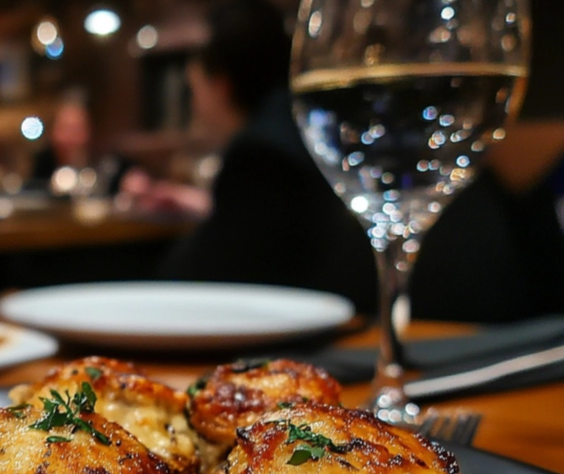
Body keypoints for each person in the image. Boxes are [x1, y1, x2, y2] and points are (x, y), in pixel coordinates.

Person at [151, 0, 564, 323]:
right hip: (515, 323)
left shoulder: (266, 152)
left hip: (467, 333)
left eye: (194, 91)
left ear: (220, 86)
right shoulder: (296, 134)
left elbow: (183, 289)